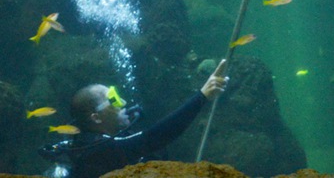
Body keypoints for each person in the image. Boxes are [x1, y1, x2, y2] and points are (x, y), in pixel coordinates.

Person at [40, 59, 228, 178]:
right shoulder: (99, 148)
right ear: (96, 118)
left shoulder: (89, 142)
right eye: (112, 100)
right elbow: (155, 137)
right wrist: (202, 96)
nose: (122, 103)